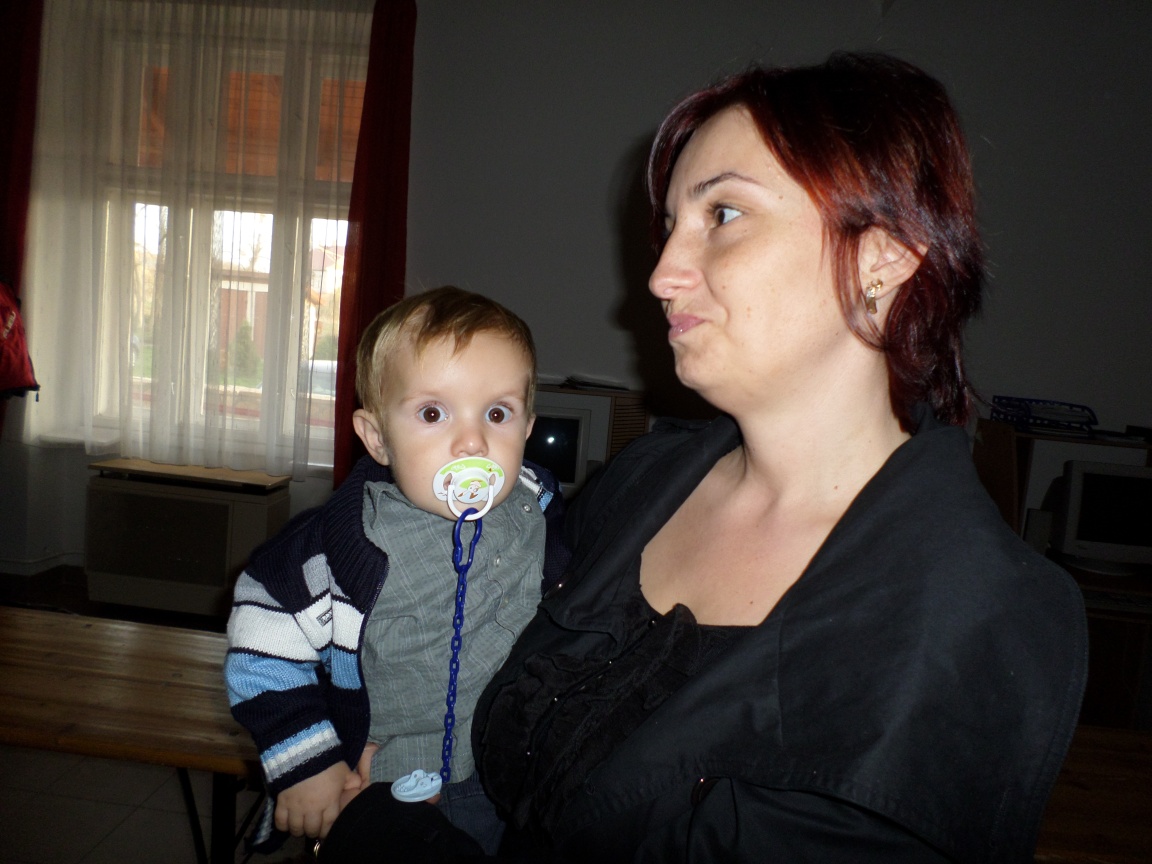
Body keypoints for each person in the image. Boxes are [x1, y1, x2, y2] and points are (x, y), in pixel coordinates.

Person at [319, 53, 1088, 863]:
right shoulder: (643, 482)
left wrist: (374, 832)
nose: (660, 275)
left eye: (723, 213)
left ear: (883, 255)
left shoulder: (973, 623)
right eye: (670, 225)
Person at [224, 286, 568, 854]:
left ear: (528, 428)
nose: (473, 442)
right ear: (378, 437)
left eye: (497, 413)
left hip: (515, 771)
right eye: (433, 413)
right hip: (392, 781)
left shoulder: (540, 510)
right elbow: (262, 642)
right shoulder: (339, 547)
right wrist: (309, 762)